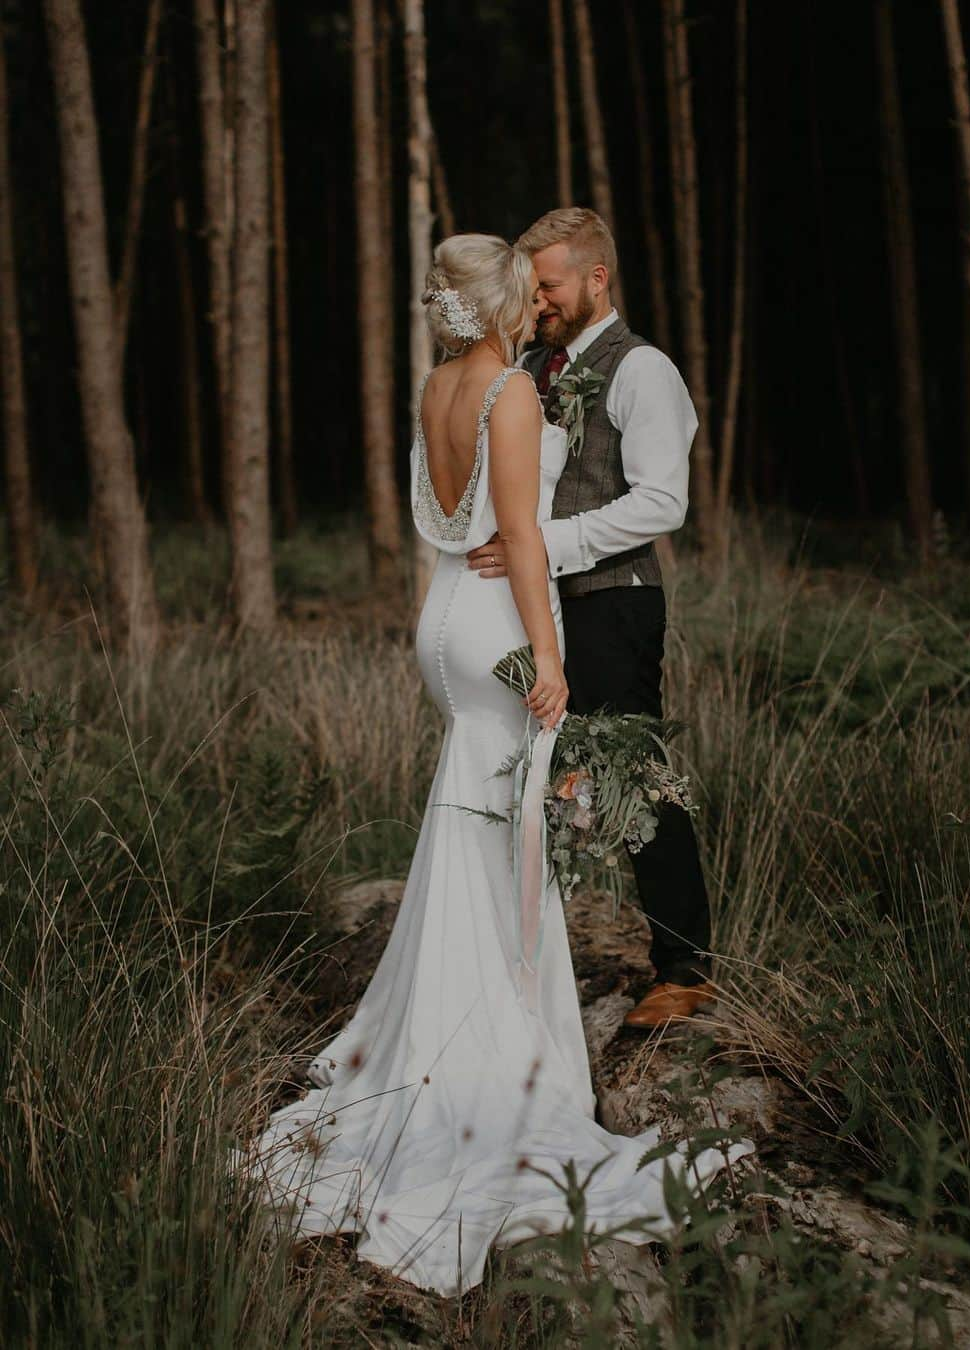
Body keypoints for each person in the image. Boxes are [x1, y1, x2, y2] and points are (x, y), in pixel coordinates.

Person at [234, 233, 753, 1297]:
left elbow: (482, 517)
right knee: (507, 825)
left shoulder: (439, 383)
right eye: (529, 284)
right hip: (498, 630)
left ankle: (457, 1006)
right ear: (505, 299)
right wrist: (548, 660)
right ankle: (494, 1042)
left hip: (441, 626)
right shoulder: (513, 390)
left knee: (471, 808)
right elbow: (519, 533)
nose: (541, 296)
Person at [466, 208, 715, 1029]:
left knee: (635, 779)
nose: (535, 300)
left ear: (597, 278)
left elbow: (662, 502)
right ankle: (522, 958)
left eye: (550, 284)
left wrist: (545, 543)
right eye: (529, 286)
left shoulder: (644, 371)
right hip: (528, 612)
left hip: (613, 602)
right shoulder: (528, 366)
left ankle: (684, 968)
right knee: (531, 777)